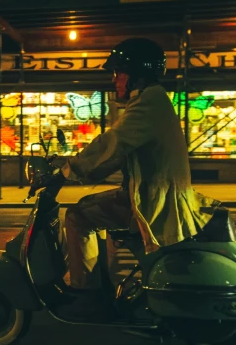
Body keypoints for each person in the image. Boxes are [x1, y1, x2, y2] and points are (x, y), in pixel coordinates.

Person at [46, 38, 214, 318]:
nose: (114, 80)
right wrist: (81, 170)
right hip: (150, 192)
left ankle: (87, 293)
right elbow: (116, 155)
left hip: (154, 199)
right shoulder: (151, 100)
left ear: (137, 73)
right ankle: (105, 288)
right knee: (91, 207)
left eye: (119, 73)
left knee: (77, 216)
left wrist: (65, 172)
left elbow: (113, 142)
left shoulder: (148, 103)